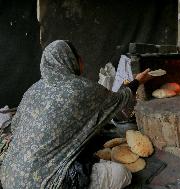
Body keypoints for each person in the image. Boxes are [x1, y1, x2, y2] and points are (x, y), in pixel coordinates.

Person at [0, 40, 152, 189]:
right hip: (45, 183)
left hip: (9, 176)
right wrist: (137, 81)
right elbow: (120, 99)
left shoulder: (32, 90)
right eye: (78, 56)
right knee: (122, 174)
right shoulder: (81, 88)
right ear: (69, 59)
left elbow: (15, 127)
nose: (82, 60)